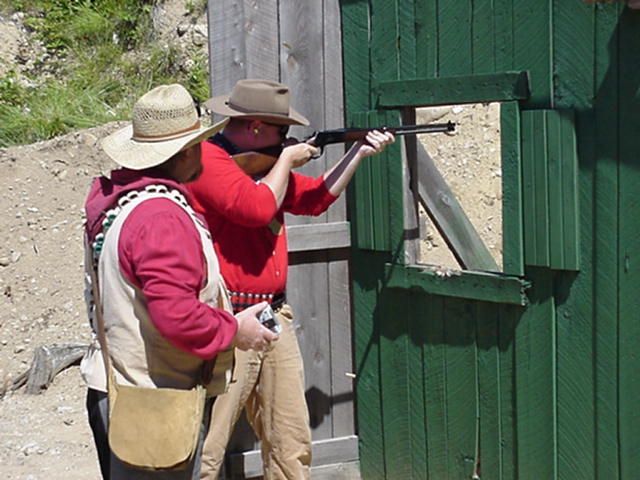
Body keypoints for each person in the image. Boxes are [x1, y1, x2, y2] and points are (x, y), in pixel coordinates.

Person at [186, 78, 395, 479]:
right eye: (282, 132)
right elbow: (254, 209)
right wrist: (285, 160)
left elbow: (315, 199)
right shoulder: (208, 161)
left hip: (273, 314)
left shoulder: (265, 165)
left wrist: (357, 153)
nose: (287, 139)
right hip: (231, 318)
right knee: (208, 448)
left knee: (290, 439)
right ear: (258, 128)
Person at [79, 83, 278, 480]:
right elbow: (178, 318)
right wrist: (236, 329)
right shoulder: (161, 218)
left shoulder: (123, 199)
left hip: (122, 389)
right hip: (153, 400)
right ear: (187, 151)